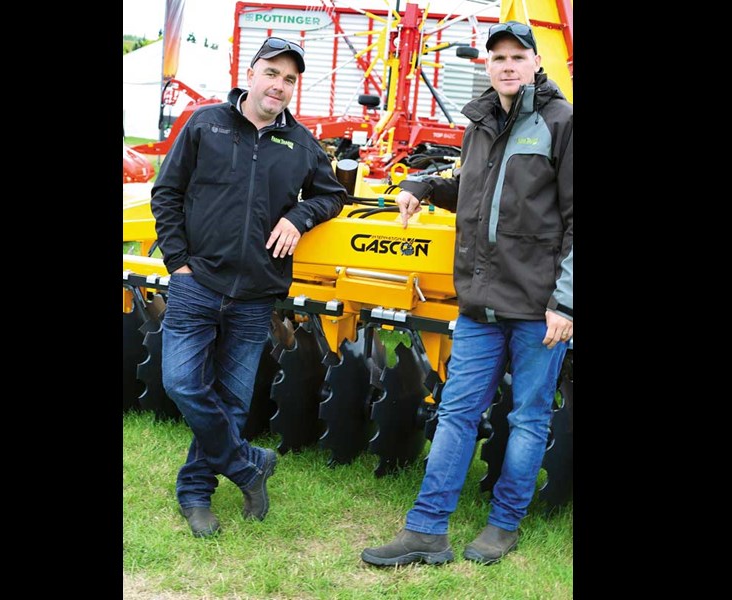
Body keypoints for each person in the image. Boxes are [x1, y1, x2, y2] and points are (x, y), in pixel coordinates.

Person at [361, 20, 572, 566]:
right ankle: (427, 529)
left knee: (527, 418)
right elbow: (475, 197)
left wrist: (566, 302)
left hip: (537, 306)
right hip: (479, 300)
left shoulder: (561, 122)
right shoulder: (479, 122)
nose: (506, 65)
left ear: (534, 63)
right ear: (487, 64)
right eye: (497, 56)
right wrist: (423, 185)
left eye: (516, 56)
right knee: (456, 412)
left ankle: (503, 524)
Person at [151, 36, 347, 537]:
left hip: (257, 293)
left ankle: (196, 494)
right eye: (272, 73)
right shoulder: (205, 123)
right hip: (199, 283)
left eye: (289, 79)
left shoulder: (300, 143)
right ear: (251, 72)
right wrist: (178, 261)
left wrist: (301, 216)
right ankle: (246, 466)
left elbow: (332, 195)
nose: (279, 86)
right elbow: (167, 192)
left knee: (233, 401)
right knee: (181, 383)